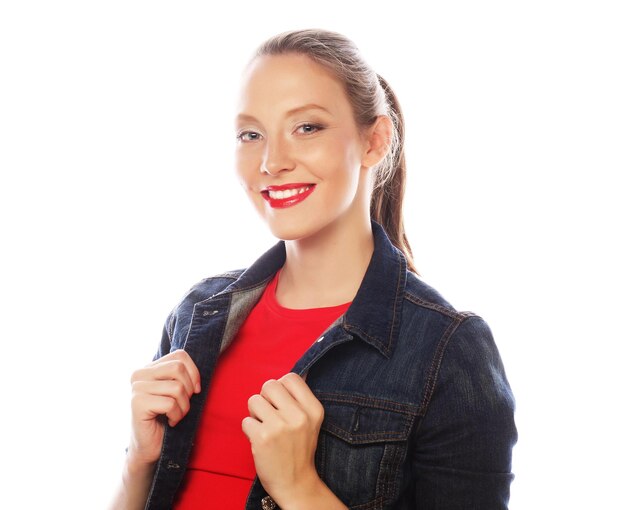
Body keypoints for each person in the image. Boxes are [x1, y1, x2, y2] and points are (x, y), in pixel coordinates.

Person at [110, 28, 517, 510]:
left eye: (307, 127)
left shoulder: (448, 350)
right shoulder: (198, 315)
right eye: (251, 134)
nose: (271, 161)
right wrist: (138, 460)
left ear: (375, 141)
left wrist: (300, 488)